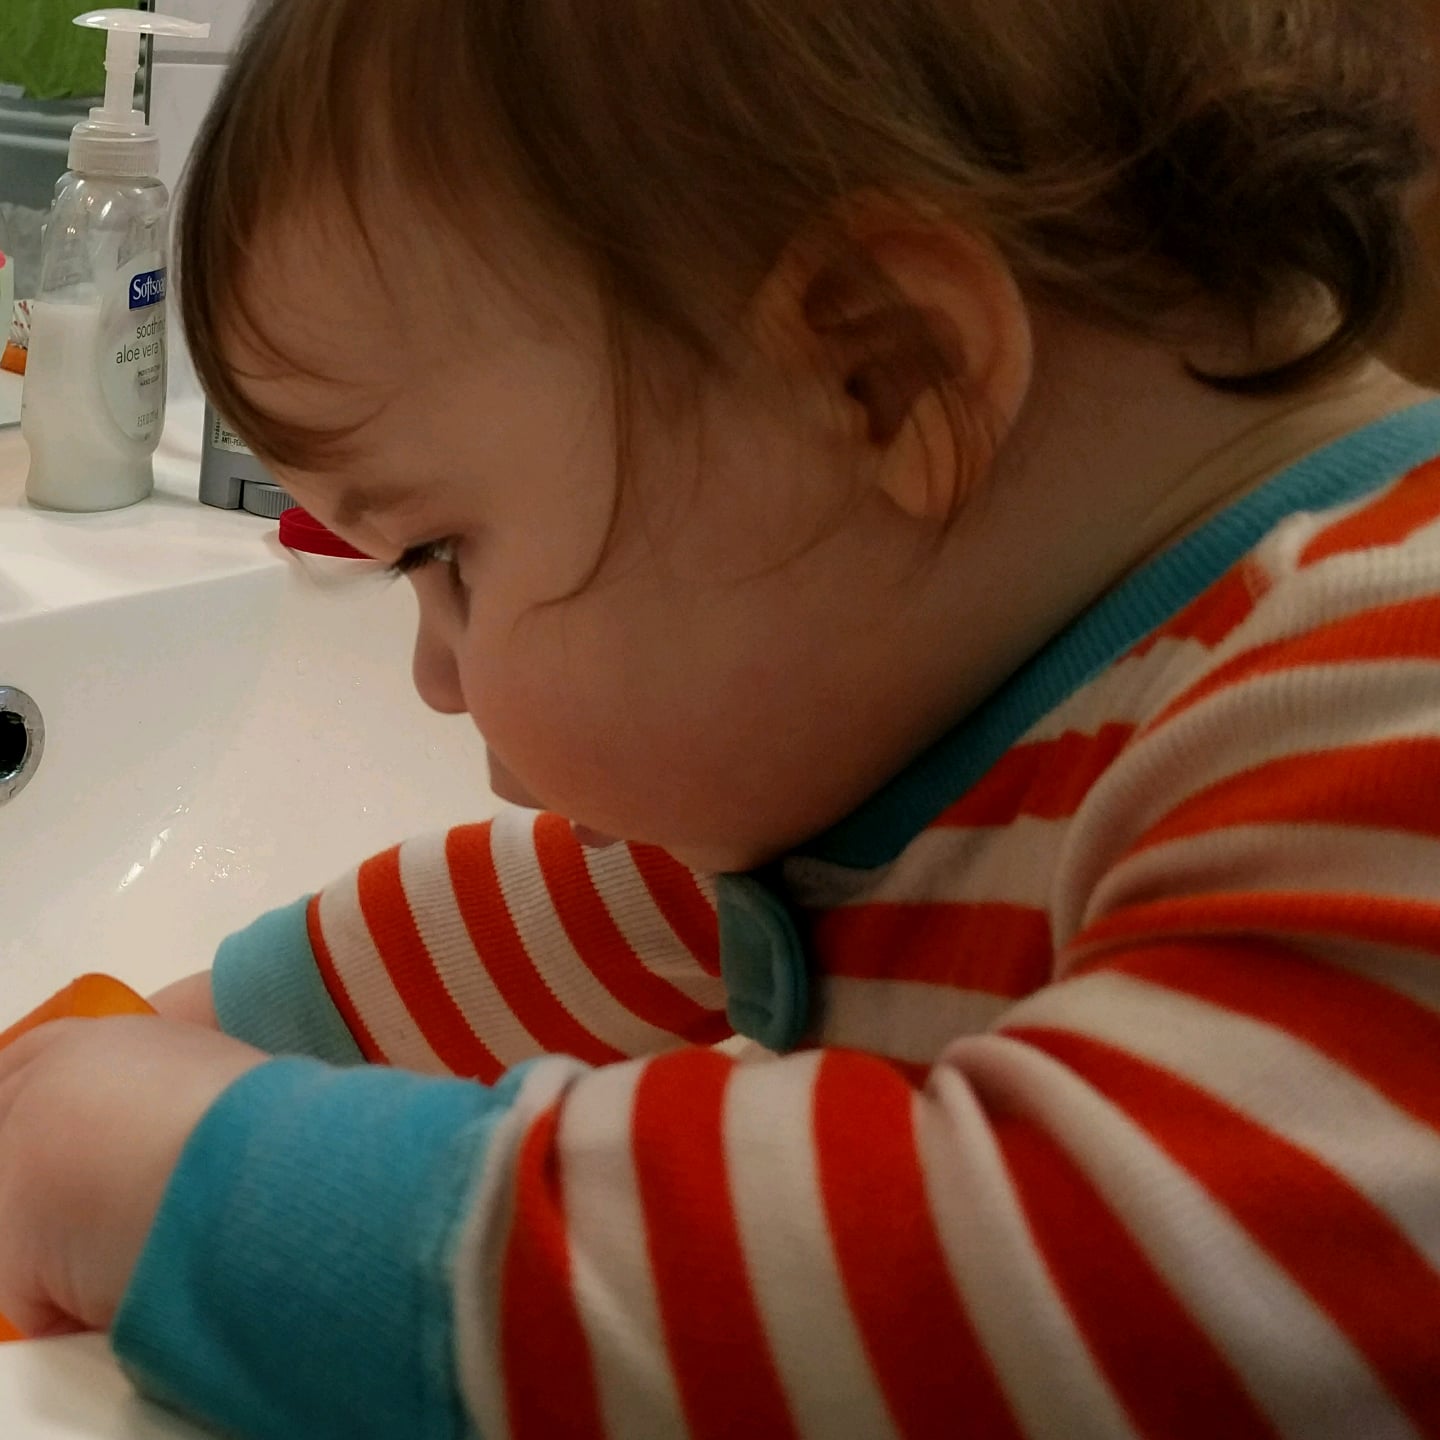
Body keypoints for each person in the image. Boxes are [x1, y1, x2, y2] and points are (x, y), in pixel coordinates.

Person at [4, 0, 1440, 1435]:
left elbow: (1127, 1298)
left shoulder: (1392, 693)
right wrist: (183, 1031)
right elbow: (609, 903)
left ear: (888, 375)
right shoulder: (974, 711)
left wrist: (202, 1180)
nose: (434, 675)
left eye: (441, 555)